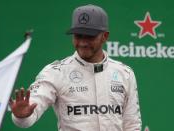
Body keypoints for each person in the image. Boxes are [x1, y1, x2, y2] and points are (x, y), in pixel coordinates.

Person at [9, 4, 142, 131]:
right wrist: (21, 115)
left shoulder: (124, 73)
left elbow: (132, 125)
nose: (83, 43)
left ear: (105, 36)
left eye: (90, 36)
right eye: (78, 36)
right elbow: (29, 114)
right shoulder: (56, 72)